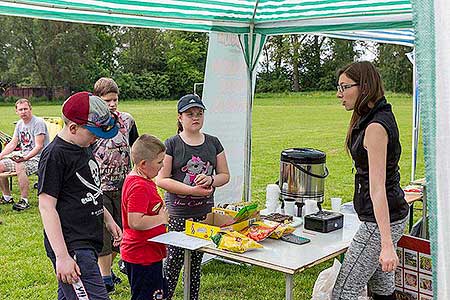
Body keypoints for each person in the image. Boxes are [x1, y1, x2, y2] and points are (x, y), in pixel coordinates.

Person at [331, 61, 409, 300]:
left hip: (380, 221)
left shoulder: (375, 126)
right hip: (391, 214)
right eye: (339, 87)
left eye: (344, 87)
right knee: (382, 288)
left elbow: (378, 189)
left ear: (364, 86)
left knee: (344, 292)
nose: (339, 94)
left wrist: (386, 244)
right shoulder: (375, 115)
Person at [38, 92, 122, 300]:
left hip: (89, 241)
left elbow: (87, 190)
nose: (97, 138)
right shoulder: (55, 155)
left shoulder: (83, 145)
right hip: (73, 246)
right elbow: (46, 206)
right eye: (93, 132)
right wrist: (62, 256)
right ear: (73, 128)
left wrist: (107, 219)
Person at [156, 94, 230, 300]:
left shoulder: (213, 143)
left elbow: (225, 175)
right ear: (180, 118)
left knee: (196, 263)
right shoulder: (172, 143)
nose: (195, 117)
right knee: (173, 263)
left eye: (199, 113)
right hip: (179, 214)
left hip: (204, 214)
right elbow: (162, 179)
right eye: (190, 114)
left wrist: (211, 180)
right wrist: (191, 190)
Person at [92, 77, 138, 293]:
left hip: (124, 185)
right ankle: (105, 278)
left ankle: (115, 267)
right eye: (107, 100)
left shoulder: (127, 120)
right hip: (99, 187)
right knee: (104, 234)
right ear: (97, 100)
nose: (112, 104)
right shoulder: (92, 125)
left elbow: (137, 147)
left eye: (115, 100)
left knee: (122, 230)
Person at [121, 134, 169, 300]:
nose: (162, 166)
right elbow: (135, 221)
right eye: (159, 162)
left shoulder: (143, 179)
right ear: (143, 164)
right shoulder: (139, 186)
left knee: (159, 293)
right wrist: (161, 219)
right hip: (142, 255)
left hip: (149, 253)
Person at [0, 98, 49, 211]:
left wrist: (25, 158)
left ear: (30, 109)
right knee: (0, 165)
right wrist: (1, 155)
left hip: (40, 158)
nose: (23, 112)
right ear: (16, 111)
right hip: (24, 156)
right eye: (20, 110)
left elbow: (39, 146)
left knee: (19, 165)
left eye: (25, 109)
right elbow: (13, 143)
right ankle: (7, 197)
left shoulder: (38, 123)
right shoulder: (19, 124)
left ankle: (24, 200)